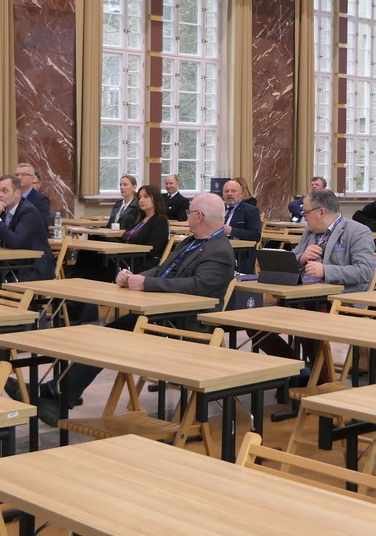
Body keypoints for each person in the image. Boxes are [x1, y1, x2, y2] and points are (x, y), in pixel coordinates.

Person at [43, 194, 235, 423]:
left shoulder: (219, 249)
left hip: (183, 326)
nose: (187, 216)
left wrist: (147, 284)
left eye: (189, 212)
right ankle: (56, 393)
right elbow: (162, 269)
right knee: (103, 335)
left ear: (199, 216)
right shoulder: (191, 241)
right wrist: (135, 277)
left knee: (108, 339)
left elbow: (198, 286)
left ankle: (58, 394)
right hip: (161, 315)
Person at [292, 188, 376, 293]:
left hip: (337, 298)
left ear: (321, 212)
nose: (305, 218)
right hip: (302, 293)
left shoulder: (357, 232)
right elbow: (290, 261)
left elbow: (365, 271)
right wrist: (302, 258)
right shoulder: (309, 231)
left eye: (306, 213)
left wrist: (325, 271)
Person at [119, 183, 172, 273]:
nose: (141, 200)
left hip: (141, 262)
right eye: (139, 198)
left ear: (155, 199)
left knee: (102, 260)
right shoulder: (140, 220)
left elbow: (153, 249)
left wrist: (126, 250)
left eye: (146, 197)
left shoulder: (160, 221)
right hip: (126, 256)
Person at [222, 176, 262, 272]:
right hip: (219, 252)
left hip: (240, 255)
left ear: (241, 194)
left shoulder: (250, 210)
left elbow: (255, 235)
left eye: (233, 191)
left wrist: (232, 231)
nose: (229, 194)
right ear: (222, 194)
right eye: (226, 191)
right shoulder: (218, 209)